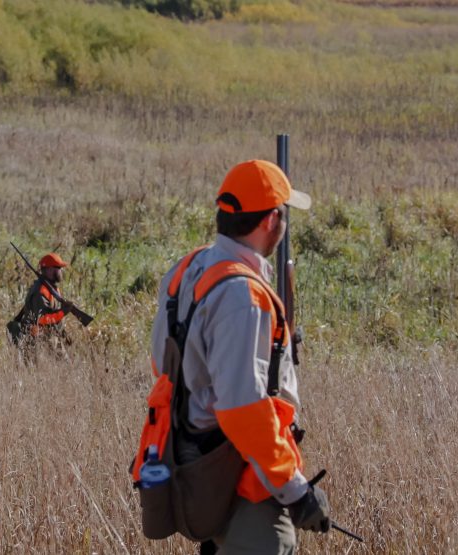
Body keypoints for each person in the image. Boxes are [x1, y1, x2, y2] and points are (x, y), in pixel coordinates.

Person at [140, 160, 329, 553]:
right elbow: (243, 407)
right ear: (271, 221)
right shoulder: (244, 296)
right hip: (240, 475)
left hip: (194, 460)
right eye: (285, 215)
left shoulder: (187, 268)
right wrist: (296, 491)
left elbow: (164, 364)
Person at [7, 253, 74, 345]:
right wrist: (62, 312)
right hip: (35, 343)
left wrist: (64, 335)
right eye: (58, 268)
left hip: (48, 339)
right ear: (50, 269)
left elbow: (52, 315)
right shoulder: (40, 291)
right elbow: (42, 319)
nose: (61, 270)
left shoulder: (52, 288)